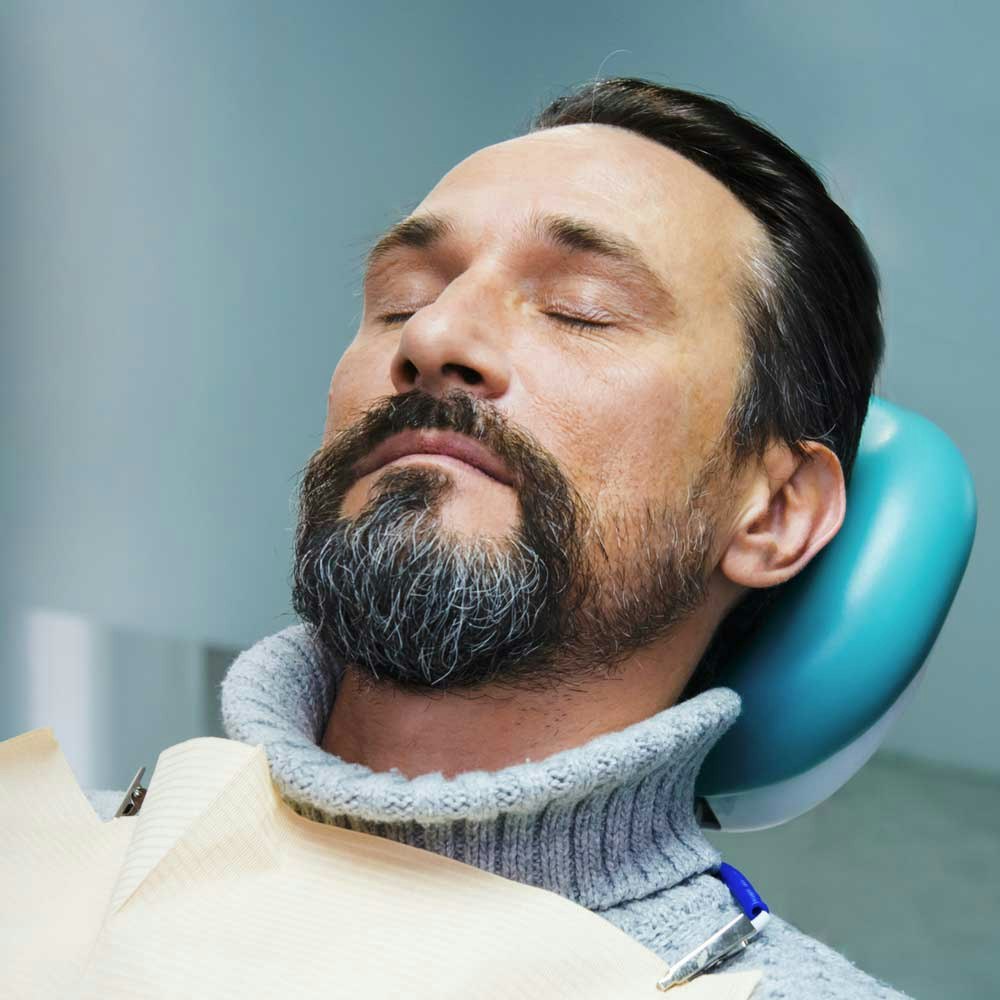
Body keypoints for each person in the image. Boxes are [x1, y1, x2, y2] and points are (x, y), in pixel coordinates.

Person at [86, 78, 911, 998]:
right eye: (400, 300)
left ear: (775, 512)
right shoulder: (39, 859)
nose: (434, 335)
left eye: (580, 308)